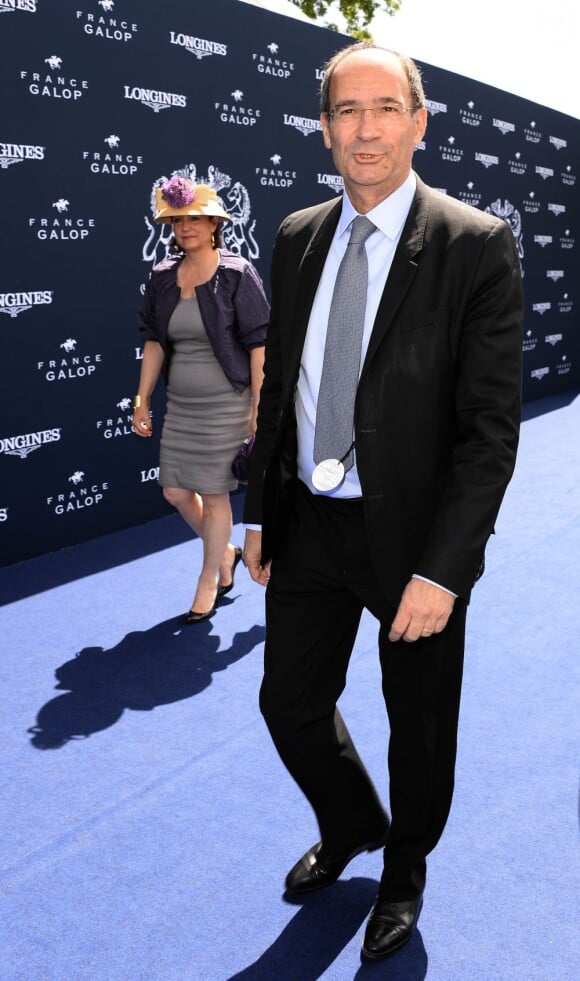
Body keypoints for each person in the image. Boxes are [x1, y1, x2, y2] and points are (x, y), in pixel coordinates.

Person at [243, 42, 523, 960]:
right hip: (311, 520)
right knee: (289, 703)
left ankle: (404, 872)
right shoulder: (294, 236)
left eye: (384, 108)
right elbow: (282, 380)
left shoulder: (474, 244)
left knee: (420, 726)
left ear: (418, 120)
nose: (366, 130)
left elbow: (489, 432)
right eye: (346, 111)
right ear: (325, 128)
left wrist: (445, 570)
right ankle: (355, 818)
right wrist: (256, 510)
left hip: (415, 537)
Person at [133, 176, 269, 623]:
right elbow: (154, 341)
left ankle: (209, 577)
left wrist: (257, 406)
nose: (185, 227)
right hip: (183, 405)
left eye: (195, 219)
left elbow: (258, 344)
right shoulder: (161, 277)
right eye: (177, 221)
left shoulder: (235, 273)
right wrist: (143, 398)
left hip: (227, 403)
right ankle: (224, 552)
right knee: (174, 490)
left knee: (214, 496)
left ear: (214, 223)